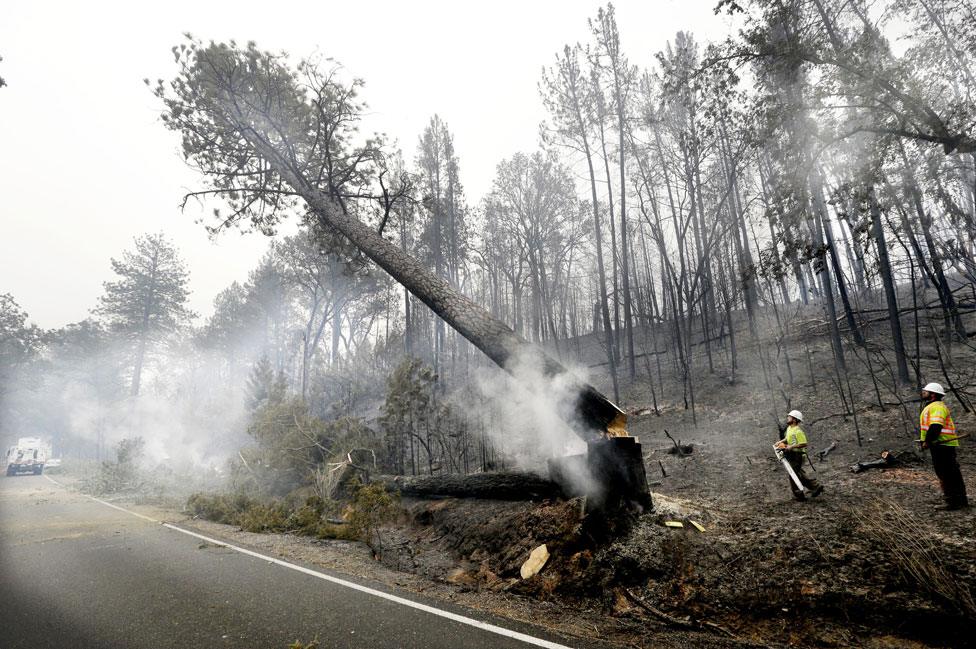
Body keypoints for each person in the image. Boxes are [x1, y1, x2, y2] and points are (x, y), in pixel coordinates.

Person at [919, 382, 969, 511]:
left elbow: (935, 427)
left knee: (946, 474)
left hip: (942, 445)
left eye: (926, 391)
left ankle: (953, 502)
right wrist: (926, 440)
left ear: (933, 394)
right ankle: (960, 500)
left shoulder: (937, 407)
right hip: (941, 445)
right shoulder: (933, 406)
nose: (923, 393)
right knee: (951, 473)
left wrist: (927, 441)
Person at [776, 409, 823, 501]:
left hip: (798, 455)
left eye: (789, 417)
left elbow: (804, 443)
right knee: (797, 473)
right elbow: (787, 438)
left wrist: (791, 447)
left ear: (794, 419)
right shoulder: (790, 429)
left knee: (793, 474)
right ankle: (815, 486)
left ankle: (799, 494)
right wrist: (780, 442)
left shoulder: (798, 431)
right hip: (792, 454)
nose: (787, 418)